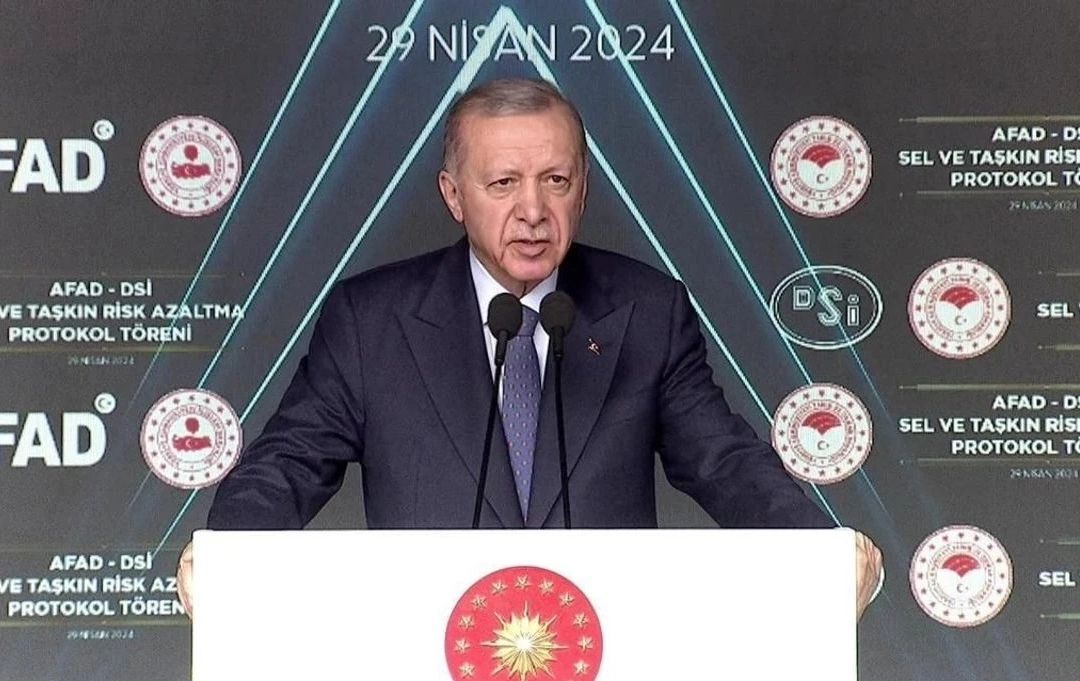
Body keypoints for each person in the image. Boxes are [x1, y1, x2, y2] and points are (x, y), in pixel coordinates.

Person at [176, 76, 883, 618]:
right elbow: (289, 463)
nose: (534, 212)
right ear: (454, 195)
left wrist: (817, 555)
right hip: (425, 661)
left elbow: (723, 461)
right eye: (504, 183)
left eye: (555, 181)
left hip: (607, 661)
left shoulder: (647, 310)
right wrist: (227, 556)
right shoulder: (371, 319)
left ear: (583, 190)